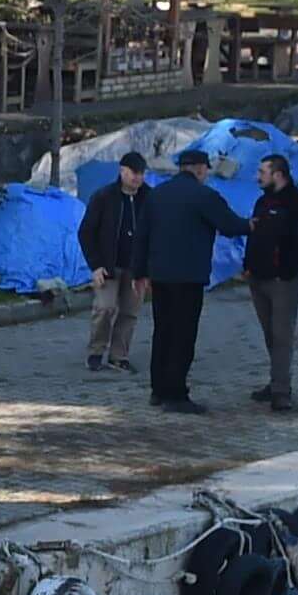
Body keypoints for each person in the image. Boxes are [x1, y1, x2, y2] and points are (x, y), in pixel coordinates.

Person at [137, 142, 231, 412]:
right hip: (189, 277)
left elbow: (142, 234)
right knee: (183, 335)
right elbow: (228, 224)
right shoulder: (203, 196)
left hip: (161, 276)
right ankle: (176, 394)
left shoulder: (157, 195)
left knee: (163, 332)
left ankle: (158, 390)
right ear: (200, 169)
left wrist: (139, 272)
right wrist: (251, 225)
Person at [238, 154, 298, 411]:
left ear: (278, 174)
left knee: (282, 334)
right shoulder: (263, 202)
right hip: (258, 278)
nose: (257, 177)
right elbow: (256, 236)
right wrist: (249, 267)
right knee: (270, 333)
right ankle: (275, 381)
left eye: (262, 172)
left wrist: (285, 272)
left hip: (283, 281)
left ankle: (281, 391)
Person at [80, 153, 150, 373]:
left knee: (130, 312)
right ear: (122, 171)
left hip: (136, 267)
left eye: (141, 173)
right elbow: (86, 232)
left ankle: (119, 355)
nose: (137, 178)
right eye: (133, 173)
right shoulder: (104, 197)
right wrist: (95, 265)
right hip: (108, 266)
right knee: (104, 307)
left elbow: (157, 232)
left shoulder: (149, 198)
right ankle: (96, 351)